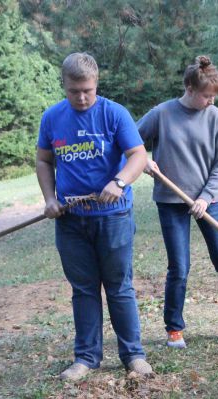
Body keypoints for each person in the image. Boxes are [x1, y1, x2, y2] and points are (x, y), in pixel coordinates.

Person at [136, 55, 218, 349]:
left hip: (210, 201)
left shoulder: (215, 117)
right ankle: (174, 329)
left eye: (214, 96)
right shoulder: (162, 114)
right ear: (189, 88)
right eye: (206, 96)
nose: (211, 102)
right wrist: (143, 159)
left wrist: (206, 197)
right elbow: (129, 140)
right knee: (179, 267)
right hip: (172, 201)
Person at [36, 52, 153, 380]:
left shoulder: (114, 114)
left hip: (113, 217)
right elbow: (44, 161)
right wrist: (49, 199)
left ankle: (134, 355)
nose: (82, 97)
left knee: (119, 286)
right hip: (71, 221)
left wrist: (119, 182)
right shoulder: (52, 118)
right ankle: (86, 358)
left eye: (88, 89)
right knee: (84, 289)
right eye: (75, 91)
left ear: (96, 84)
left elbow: (138, 156)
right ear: (65, 86)